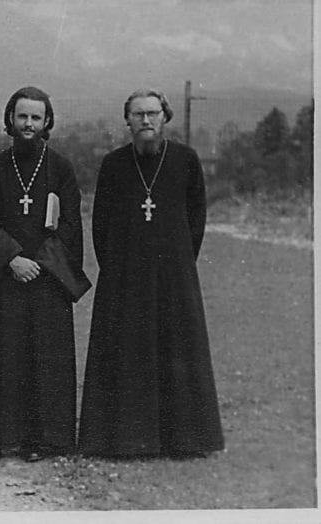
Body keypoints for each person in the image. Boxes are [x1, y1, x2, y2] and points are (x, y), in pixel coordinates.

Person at [78, 88, 224, 458]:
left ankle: (185, 441)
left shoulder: (186, 161)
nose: (146, 121)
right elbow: (102, 225)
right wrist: (117, 270)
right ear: (127, 120)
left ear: (165, 117)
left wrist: (177, 263)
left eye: (153, 114)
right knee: (128, 353)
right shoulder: (113, 164)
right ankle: (126, 440)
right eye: (138, 114)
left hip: (174, 278)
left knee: (177, 350)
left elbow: (197, 219)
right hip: (125, 279)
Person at [0, 86, 91, 466]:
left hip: (46, 282)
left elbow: (69, 227)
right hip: (4, 280)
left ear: (47, 121)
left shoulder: (61, 168)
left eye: (35, 117)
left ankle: (39, 438)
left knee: (41, 359)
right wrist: (13, 259)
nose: (28, 124)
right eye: (22, 117)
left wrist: (41, 262)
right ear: (11, 120)